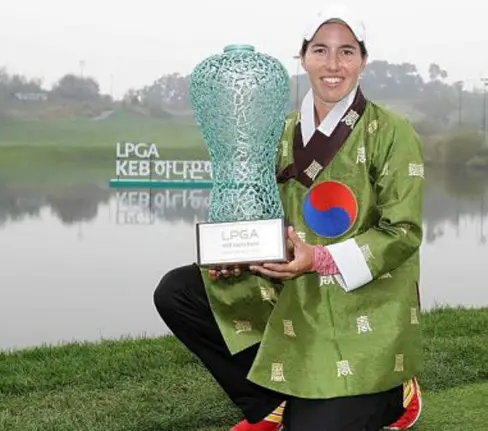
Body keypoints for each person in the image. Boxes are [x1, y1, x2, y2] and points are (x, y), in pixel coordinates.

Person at [153, 4, 425, 430]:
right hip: (289, 291)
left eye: (347, 52)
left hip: (359, 304)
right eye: (320, 50)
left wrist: (318, 260)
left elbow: (403, 232)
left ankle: (397, 395)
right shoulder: (280, 133)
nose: (333, 65)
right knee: (178, 291)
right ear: (303, 58)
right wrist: (234, 252)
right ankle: (270, 402)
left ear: (363, 60)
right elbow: (260, 214)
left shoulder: (391, 131)